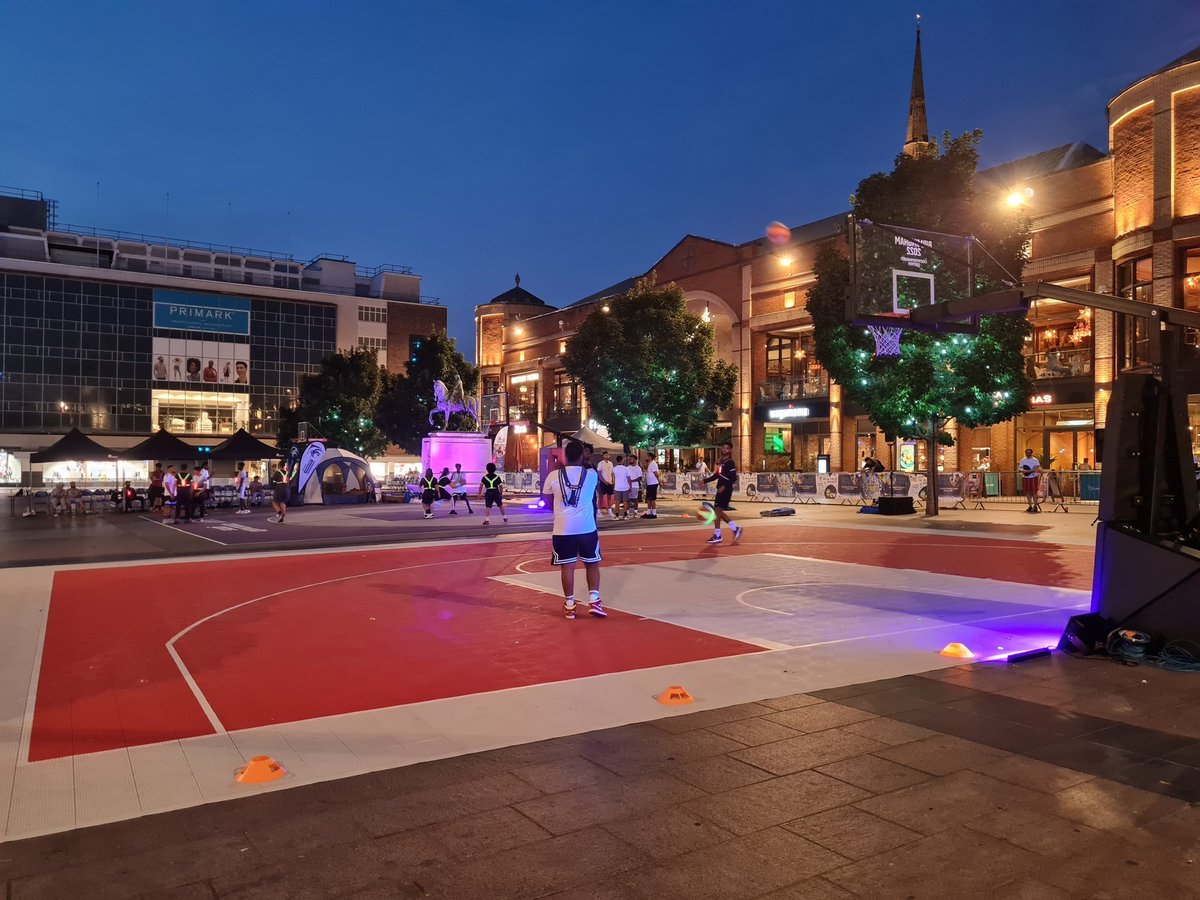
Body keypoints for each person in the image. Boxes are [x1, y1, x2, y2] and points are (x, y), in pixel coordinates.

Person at [543, 440, 604, 620]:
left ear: (564, 456)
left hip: (562, 529)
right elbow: (593, 483)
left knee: (567, 567)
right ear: (582, 455)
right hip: (587, 528)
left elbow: (546, 502)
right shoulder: (591, 475)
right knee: (592, 563)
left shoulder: (553, 476)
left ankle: (570, 605)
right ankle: (594, 600)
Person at [703, 442, 743, 545]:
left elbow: (733, 478)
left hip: (725, 490)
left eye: (727, 448)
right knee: (719, 512)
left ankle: (718, 535)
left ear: (730, 450)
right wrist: (705, 481)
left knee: (717, 512)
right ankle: (735, 529)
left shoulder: (730, 462)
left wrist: (724, 486)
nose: (724, 449)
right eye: (723, 448)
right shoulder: (722, 462)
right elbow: (717, 475)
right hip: (721, 489)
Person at [1019, 449, 1042, 513]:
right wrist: (1022, 470)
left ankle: (1035, 506)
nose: (1028, 453)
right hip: (1025, 477)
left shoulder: (1035, 460)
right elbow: (1020, 468)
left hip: (1033, 477)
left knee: (1034, 492)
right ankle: (1030, 506)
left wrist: (1028, 471)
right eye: (1026, 452)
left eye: (1029, 452)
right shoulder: (1023, 460)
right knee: (1027, 492)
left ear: (1032, 453)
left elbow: (1036, 468)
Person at [640, 452, 660, 519]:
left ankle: (654, 513)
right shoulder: (650, 464)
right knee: (648, 499)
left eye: (647, 456)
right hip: (650, 483)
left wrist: (659, 481)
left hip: (653, 483)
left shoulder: (653, 464)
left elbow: (656, 474)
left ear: (650, 457)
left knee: (652, 499)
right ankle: (649, 512)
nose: (646, 458)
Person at [596, 449, 615, 519]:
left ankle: (609, 510)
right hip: (603, 483)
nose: (607, 456)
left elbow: (612, 473)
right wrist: (604, 481)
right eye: (605, 455)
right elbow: (599, 474)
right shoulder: (600, 463)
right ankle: (598, 511)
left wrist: (613, 481)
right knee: (600, 497)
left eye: (608, 455)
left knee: (609, 497)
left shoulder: (611, 463)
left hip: (610, 482)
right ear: (603, 456)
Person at [612, 453, 630, 520]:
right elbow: (628, 478)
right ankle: (625, 515)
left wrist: (614, 486)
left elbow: (613, 478)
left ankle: (617, 516)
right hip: (625, 487)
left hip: (617, 487)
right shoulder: (626, 469)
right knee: (625, 501)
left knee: (617, 502)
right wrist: (629, 486)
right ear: (622, 460)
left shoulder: (614, 469)